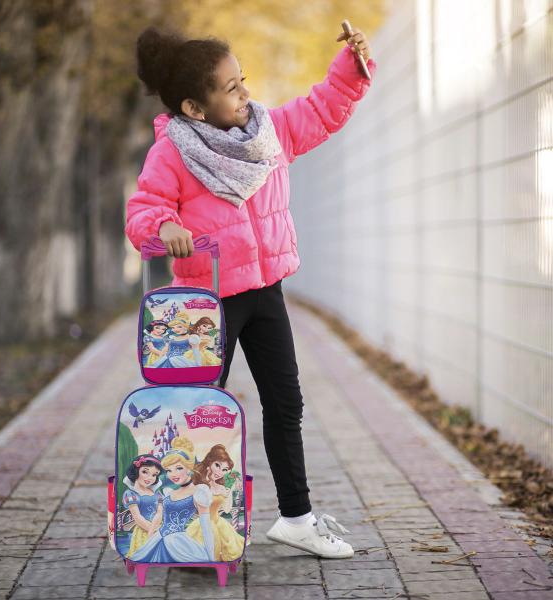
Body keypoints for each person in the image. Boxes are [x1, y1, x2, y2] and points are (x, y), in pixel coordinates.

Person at [125, 23, 375, 559]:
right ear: (195, 107)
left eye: (243, 80)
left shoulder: (267, 131)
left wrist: (350, 69)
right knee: (195, 412)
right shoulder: (173, 152)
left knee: (285, 402)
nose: (245, 93)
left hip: (266, 293)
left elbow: (321, 109)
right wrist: (162, 227)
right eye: (232, 88)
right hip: (205, 306)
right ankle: (187, 529)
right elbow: (144, 209)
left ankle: (297, 517)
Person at [129, 437, 215, 563]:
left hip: (178, 543)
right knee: (139, 558)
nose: (173, 474)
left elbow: (206, 527)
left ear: (189, 468)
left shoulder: (199, 492)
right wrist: (150, 534)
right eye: (169, 470)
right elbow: (159, 516)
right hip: (157, 539)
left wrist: (211, 557)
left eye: (179, 468)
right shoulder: (169, 492)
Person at [186, 444, 245, 561]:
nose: (220, 472)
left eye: (224, 470)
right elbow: (194, 505)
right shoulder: (199, 486)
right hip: (202, 523)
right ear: (209, 463)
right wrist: (205, 483)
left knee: (228, 547)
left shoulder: (222, 488)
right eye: (217, 465)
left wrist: (231, 492)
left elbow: (227, 509)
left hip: (219, 523)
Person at [121, 454, 164, 558]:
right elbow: (137, 517)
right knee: (143, 554)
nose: (150, 478)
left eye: (154, 475)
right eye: (145, 472)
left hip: (158, 527)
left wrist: (156, 529)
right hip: (143, 530)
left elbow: (159, 512)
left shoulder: (157, 493)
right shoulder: (131, 494)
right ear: (136, 471)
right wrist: (151, 531)